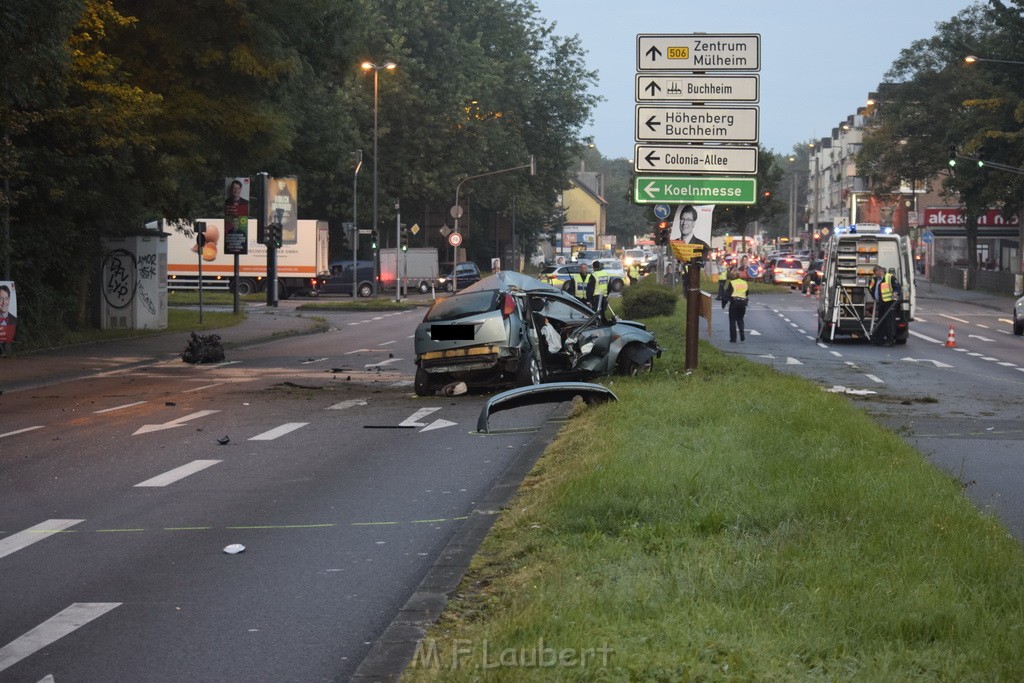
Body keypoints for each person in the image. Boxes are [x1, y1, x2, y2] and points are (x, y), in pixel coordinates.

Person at [869, 265, 901, 346]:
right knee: (881, 321)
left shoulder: (890, 277)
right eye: (875, 274)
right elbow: (871, 288)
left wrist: (895, 293)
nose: (876, 275)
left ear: (881, 271)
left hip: (889, 302)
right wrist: (874, 296)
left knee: (888, 322)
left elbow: (897, 287)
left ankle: (890, 340)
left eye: (876, 273)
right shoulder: (875, 279)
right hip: (881, 303)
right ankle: (879, 340)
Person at [723, 267, 748, 343]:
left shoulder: (732, 283)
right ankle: (742, 332)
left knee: (732, 320)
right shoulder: (744, 282)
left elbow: (727, 294)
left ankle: (733, 339)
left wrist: (724, 304)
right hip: (742, 303)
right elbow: (747, 293)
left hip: (734, 302)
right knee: (740, 319)